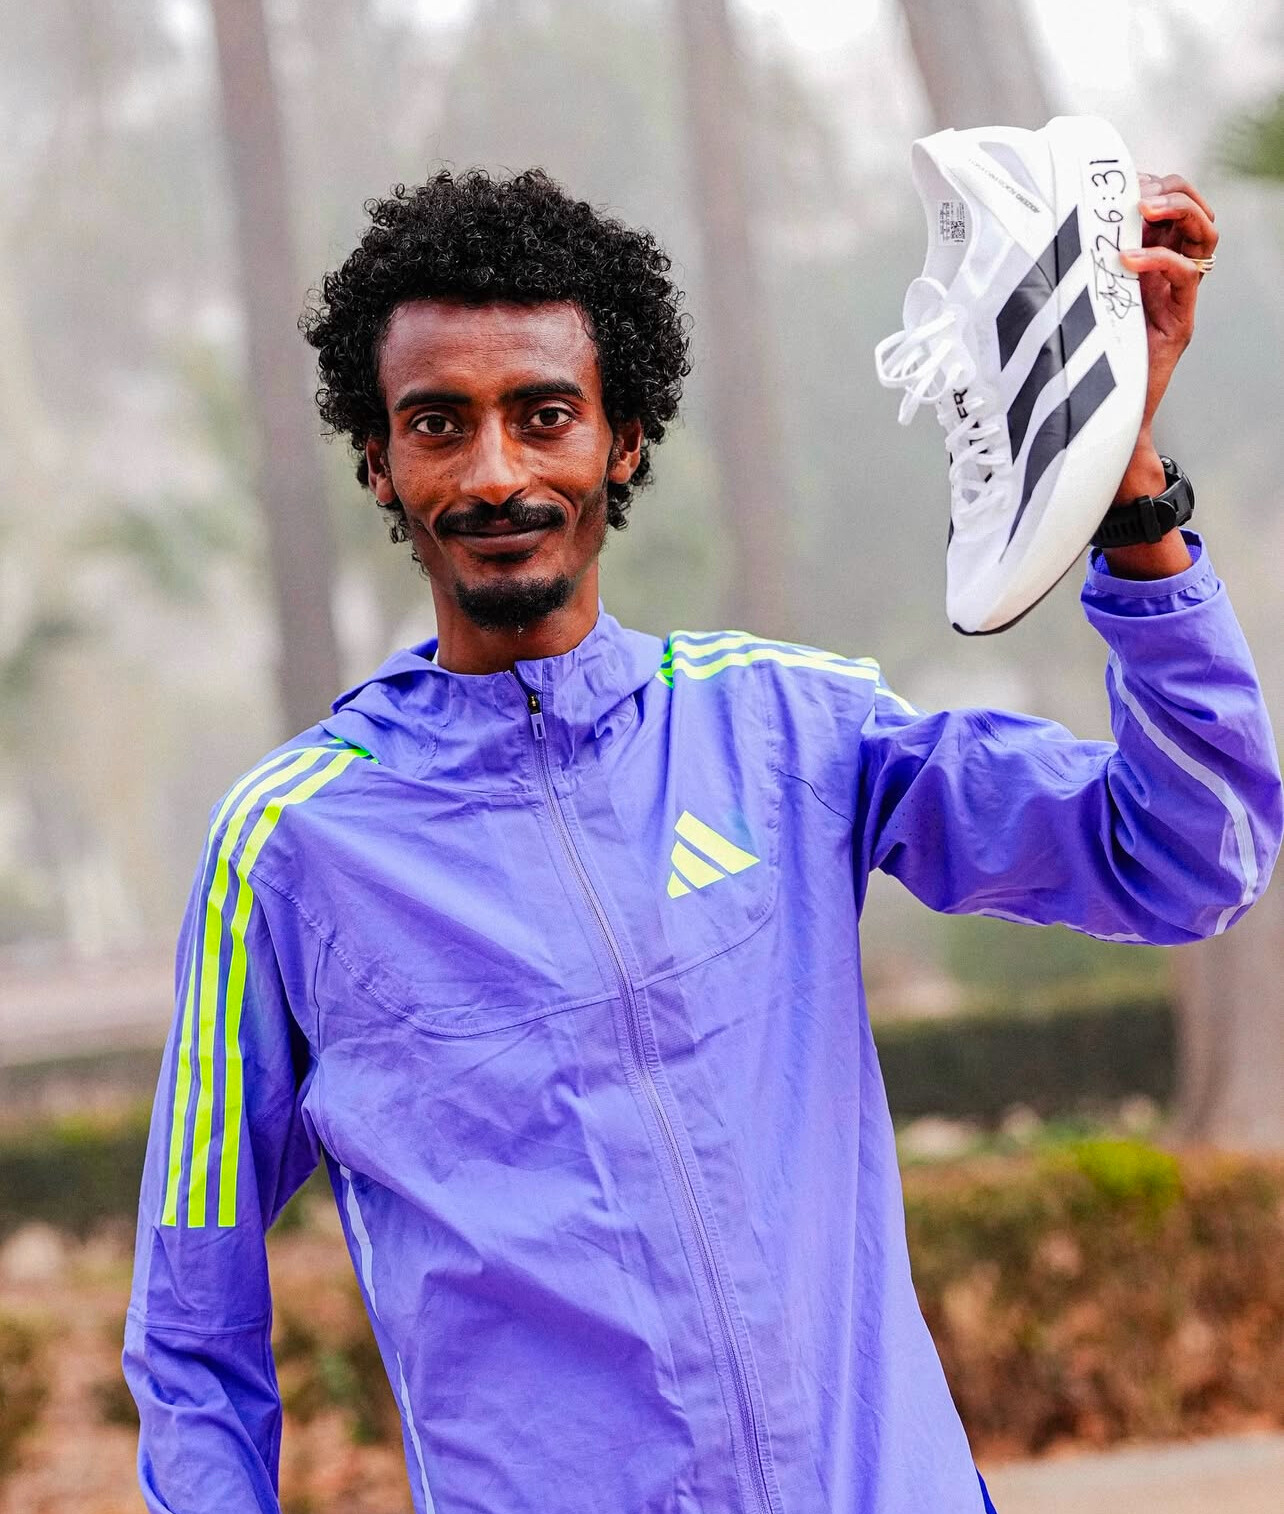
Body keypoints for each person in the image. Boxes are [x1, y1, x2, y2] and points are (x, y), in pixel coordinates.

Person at [124, 168, 1281, 1514]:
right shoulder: (291, 847)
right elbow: (192, 1332)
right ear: (380, 461)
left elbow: (1191, 857)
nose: (495, 472)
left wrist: (1123, 475)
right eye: (439, 424)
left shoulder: (789, 729)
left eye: (544, 415)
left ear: (621, 440)